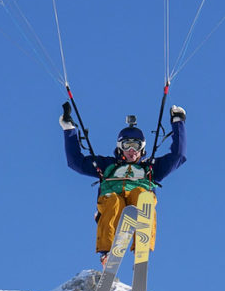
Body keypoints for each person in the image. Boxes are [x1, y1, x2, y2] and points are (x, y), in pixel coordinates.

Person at [62, 103, 187, 268]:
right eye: (127, 145)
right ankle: (107, 252)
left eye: (136, 146)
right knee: (114, 202)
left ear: (142, 149)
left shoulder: (150, 168)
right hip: (112, 201)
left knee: (142, 195)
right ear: (120, 147)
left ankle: (141, 249)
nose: (131, 150)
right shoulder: (107, 165)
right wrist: (69, 129)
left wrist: (178, 122)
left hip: (138, 202)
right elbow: (75, 162)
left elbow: (178, 156)